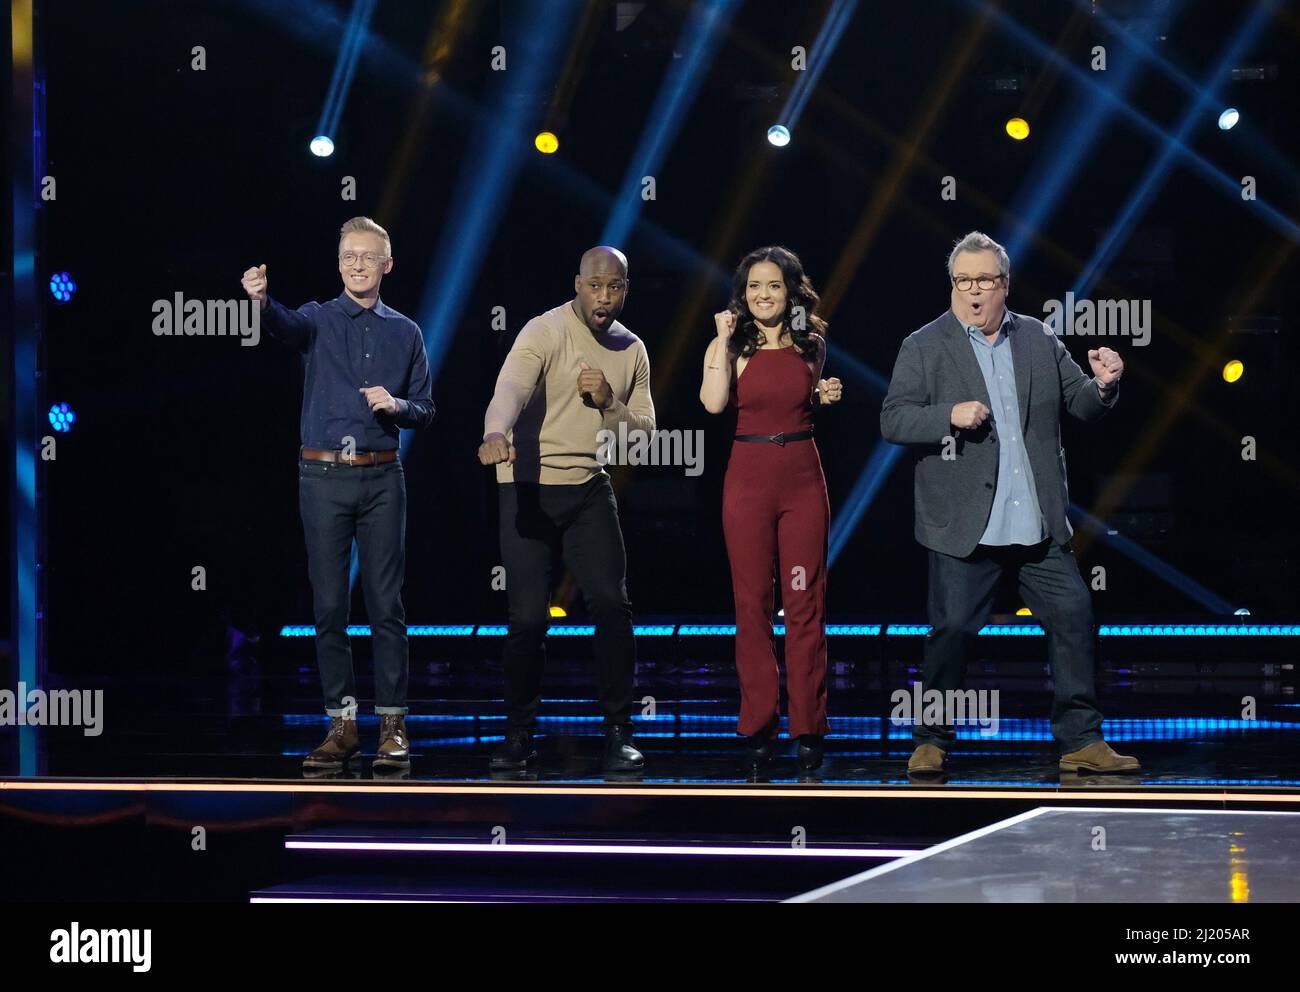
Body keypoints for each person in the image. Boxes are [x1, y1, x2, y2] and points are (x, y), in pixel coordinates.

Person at [880, 230, 1139, 775]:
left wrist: (1107, 384)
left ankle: (1080, 740)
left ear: (1004, 285)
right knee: (951, 630)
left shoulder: (1039, 339)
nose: (972, 292)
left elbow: (1082, 403)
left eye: (983, 281)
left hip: (1037, 519)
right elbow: (893, 418)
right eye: (962, 281)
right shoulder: (924, 344)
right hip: (963, 522)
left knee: (1074, 615)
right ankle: (931, 738)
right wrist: (947, 414)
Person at [241, 216, 434, 772]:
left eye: (367, 256)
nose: (356, 264)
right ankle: (342, 726)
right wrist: (261, 301)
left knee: (386, 606)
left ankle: (393, 725)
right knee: (329, 606)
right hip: (323, 478)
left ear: (386, 265)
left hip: (381, 478)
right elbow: (284, 327)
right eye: (348, 255)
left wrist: (396, 407)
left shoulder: (407, 332)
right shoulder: (316, 318)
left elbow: (427, 409)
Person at [478, 246, 654, 773]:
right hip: (527, 484)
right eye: (595, 285)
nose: (604, 297)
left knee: (611, 604)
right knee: (529, 616)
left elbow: (642, 437)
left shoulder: (632, 350)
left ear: (626, 289)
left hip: (587, 487)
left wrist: (608, 403)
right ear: (578, 284)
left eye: (615, 287)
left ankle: (619, 731)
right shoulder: (543, 330)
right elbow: (510, 386)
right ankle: (518, 733)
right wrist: (494, 430)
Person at [699, 246, 842, 773]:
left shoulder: (812, 344)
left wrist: (825, 396)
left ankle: (809, 729)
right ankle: (758, 725)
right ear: (743, 294)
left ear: (791, 292)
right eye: (755, 286)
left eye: (774, 285)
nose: (764, 294)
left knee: (806, 605)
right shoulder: (729, 347)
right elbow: (714, 404)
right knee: (752, 605)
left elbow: (810, 400)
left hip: (802, 477)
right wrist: (718, 339)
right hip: (749, 479)